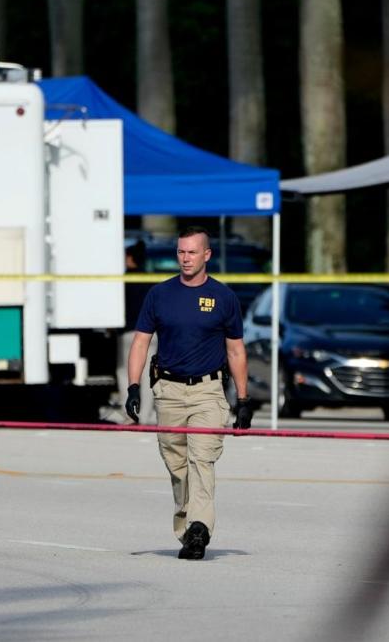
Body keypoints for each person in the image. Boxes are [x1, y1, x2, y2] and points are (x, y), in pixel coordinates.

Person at [125, 225, 255, 560]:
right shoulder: (159, 294)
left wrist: (243, 399)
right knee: (177, 465)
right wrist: (134, 386)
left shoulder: (224, 298)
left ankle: (200, 528)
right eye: (181, 252)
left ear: (206, 255)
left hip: (208, 392)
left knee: (202, 460)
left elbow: (236, 351)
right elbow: (141, 341)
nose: (185, 258)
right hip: (168, 390)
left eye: (192, 252)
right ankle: (186, 527)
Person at [116, 240, 156, 424]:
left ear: (130, 258)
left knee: (125, 372)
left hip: (129, 332)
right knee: (148, 373)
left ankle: (130, 413)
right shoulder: (151, 281)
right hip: (151, 333)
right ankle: (146, 415)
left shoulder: (122, 281)